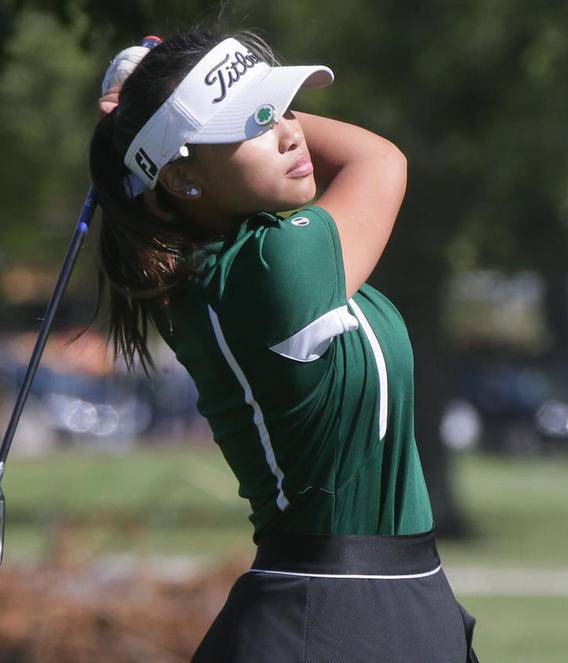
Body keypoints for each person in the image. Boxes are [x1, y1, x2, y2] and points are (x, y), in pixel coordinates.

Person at [91, 27, 479, 663]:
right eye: (254, 120)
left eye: (286, 107)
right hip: (331, 617)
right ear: (184, 177)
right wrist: (159, 114)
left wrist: (161, 119)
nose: (292, 131)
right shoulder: (276, 266)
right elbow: (380, 160)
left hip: (388, 603)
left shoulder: (231, 261)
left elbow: (301, 158)